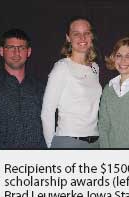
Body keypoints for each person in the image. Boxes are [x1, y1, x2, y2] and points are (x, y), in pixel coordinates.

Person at [41, 16, 102, 148]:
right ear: (68, 38)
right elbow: (47, 111)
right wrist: (52, 147)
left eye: (86, 33)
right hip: (68, 142)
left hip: (95, 143)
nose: (82, 38)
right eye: (76, 34)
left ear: (92, 37)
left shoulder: (95, 68)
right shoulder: (62, 67)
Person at [0, 28, 46, 149]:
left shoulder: (41, 89)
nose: (16, 53)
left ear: (28, 52)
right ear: (1, 51)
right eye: (10, 47)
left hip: (39, 164)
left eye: (21, 48)